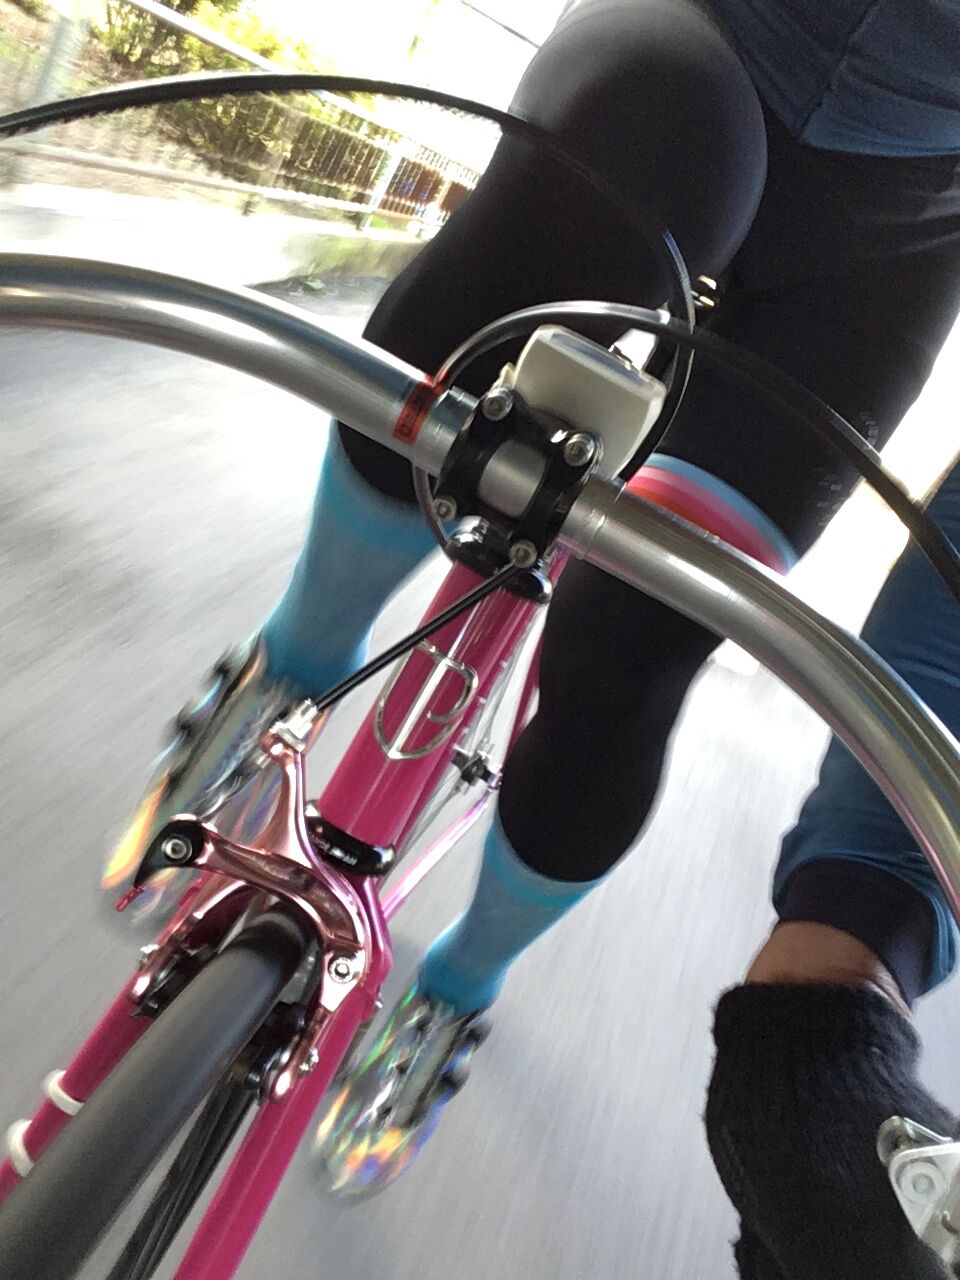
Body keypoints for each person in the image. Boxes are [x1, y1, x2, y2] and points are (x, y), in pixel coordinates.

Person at [112, 0, 960, 1273]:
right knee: (497, 322)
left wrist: (870, 916)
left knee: (633, 640)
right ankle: (294, 658)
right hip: (708, 43)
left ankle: (460, 984)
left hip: (899, 221)